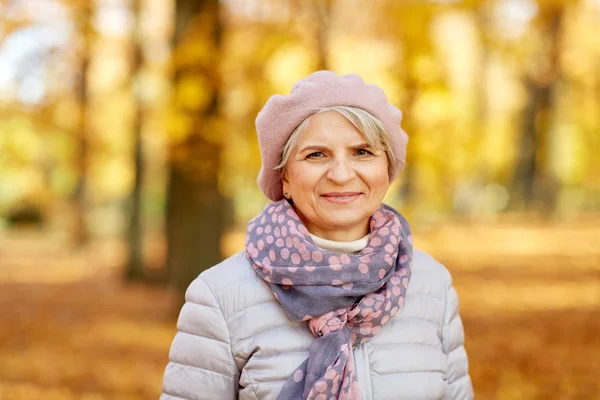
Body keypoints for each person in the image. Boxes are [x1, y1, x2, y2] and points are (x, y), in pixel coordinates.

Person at [160, 71, 474, 400]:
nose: (340, 174)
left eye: (362, 152)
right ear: (284, 179)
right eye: (316, 155)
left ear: (387, 169)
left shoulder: (432, 286)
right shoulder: (220, 297)